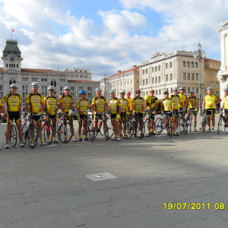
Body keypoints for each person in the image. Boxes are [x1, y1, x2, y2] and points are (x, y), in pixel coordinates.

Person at [3, 83, 24, 149]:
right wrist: (4, 112)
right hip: (10, 114)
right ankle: (6, 143)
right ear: (10, 89)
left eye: (15, 88)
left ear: (17, 89)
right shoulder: (7, 95)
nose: (14, 89)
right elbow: (1, 102)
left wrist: (20, 111)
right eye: (13, 88)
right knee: (9, 127)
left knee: (19, 127)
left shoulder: (19, 96)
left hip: (17, 114)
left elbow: (19, 104)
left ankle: (21, 142)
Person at [26, 82, 46, 146]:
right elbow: (27, 104)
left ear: (38, 88)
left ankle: (41, 141)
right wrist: (29, 112)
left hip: (38, 113)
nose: (35, 88)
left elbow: (42, 104)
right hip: (32, 114)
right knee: (32, 127)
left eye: (36, 87)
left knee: (39, 127)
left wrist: (42, 111)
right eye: (34, 87)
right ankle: (32, 140)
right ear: (31, 88)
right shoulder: (29, 95)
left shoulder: (40, 95)